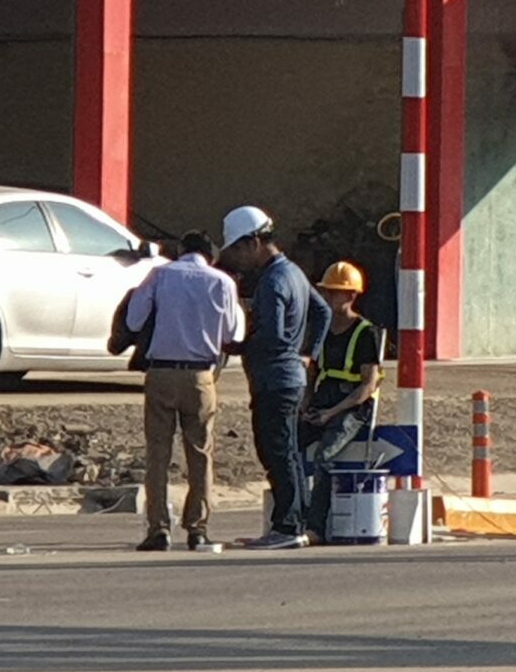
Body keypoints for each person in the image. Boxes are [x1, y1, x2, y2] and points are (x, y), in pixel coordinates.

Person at [121, 232, 244, 553]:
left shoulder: (160, 275)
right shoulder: (222, 282)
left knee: (158, 454)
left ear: (180, 250)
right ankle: (197, 529)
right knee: (200, 453)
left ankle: (159, 529)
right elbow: (233, 333)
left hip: (161, 373)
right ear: (211, 256)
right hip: (201, 376)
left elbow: (134, 320)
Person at [218, 206, 329, 550]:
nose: (237, 259)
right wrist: (309, 353)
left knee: (276, 453)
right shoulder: (293, 273)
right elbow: (322, 311)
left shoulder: (272, 281)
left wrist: (237, 346)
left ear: (253, 243)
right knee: (289, 452)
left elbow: (272, 335)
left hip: (274, 379)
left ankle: (287, 526)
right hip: (290, 378)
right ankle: (299, 523)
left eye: (238, 250)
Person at [300, 262, 386, 543]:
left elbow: (367, 385)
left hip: (352, 407)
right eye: (326, 292)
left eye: (334, 292)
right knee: (287, 447)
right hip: (324, 399)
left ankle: (315, 527)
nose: (327, 297)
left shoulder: (366, 333)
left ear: (351, 295)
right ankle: (291, 519)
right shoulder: (322, 329)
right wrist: (306, 406)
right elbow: (313, 373)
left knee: (324, 456)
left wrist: (330, 414)